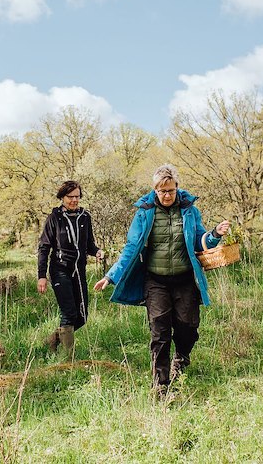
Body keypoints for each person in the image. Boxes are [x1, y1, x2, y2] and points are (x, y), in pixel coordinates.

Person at [94, 164, 230, 392]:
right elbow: (131, 247)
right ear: (155, 189)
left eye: (170, 190)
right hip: (156, 281)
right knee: (160, 331)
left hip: (185, 280)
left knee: (188, 328)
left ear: (177, 187)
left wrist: (215, 234)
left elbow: (200, 241)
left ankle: (181, 357)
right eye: (162, 191)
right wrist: (111, 275)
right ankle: (161, 384)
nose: (167, 195)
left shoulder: (189, 210)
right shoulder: (144, 212)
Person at [37, 180, 104, 358]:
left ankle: (54, 339)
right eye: (70, 197)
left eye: (77, 196)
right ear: (62, 197)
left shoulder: (85, 217)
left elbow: (89, 244)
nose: (74, 200)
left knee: (82, 316)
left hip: (79, 271)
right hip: (60, 270)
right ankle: (69, 359)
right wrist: (41, 276)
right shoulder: (54, 218)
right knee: (68, 312)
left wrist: (97, 252)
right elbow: (44, 247)